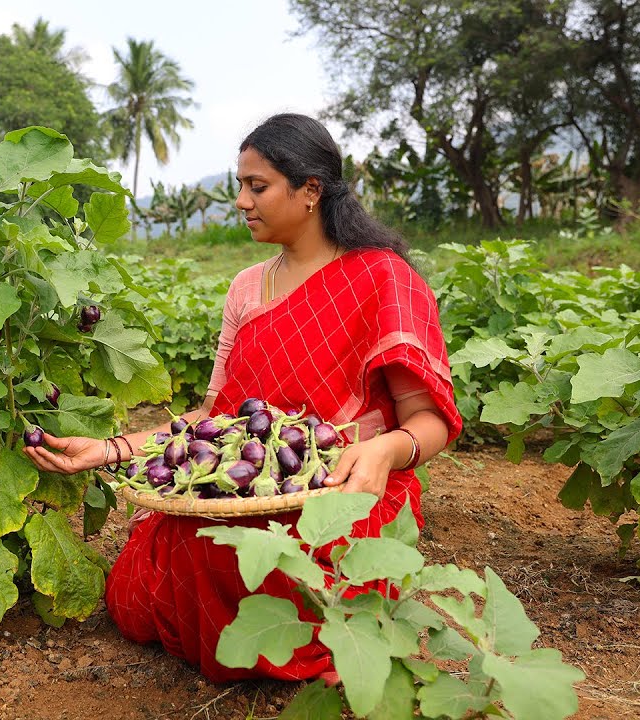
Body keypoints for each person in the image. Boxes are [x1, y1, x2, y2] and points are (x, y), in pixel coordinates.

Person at [24, 113, 461, 683]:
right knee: (182, 547)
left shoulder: (382, 277)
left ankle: (321, 644)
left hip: (347, 489)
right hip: (249, 487)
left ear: (310, 191)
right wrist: (108, 450)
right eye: (240, 185)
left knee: (267, 562)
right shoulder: (247, 288)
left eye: (258, 186)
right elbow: (215, 422)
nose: (241, 201)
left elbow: (427, 420)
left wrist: (385, 452)